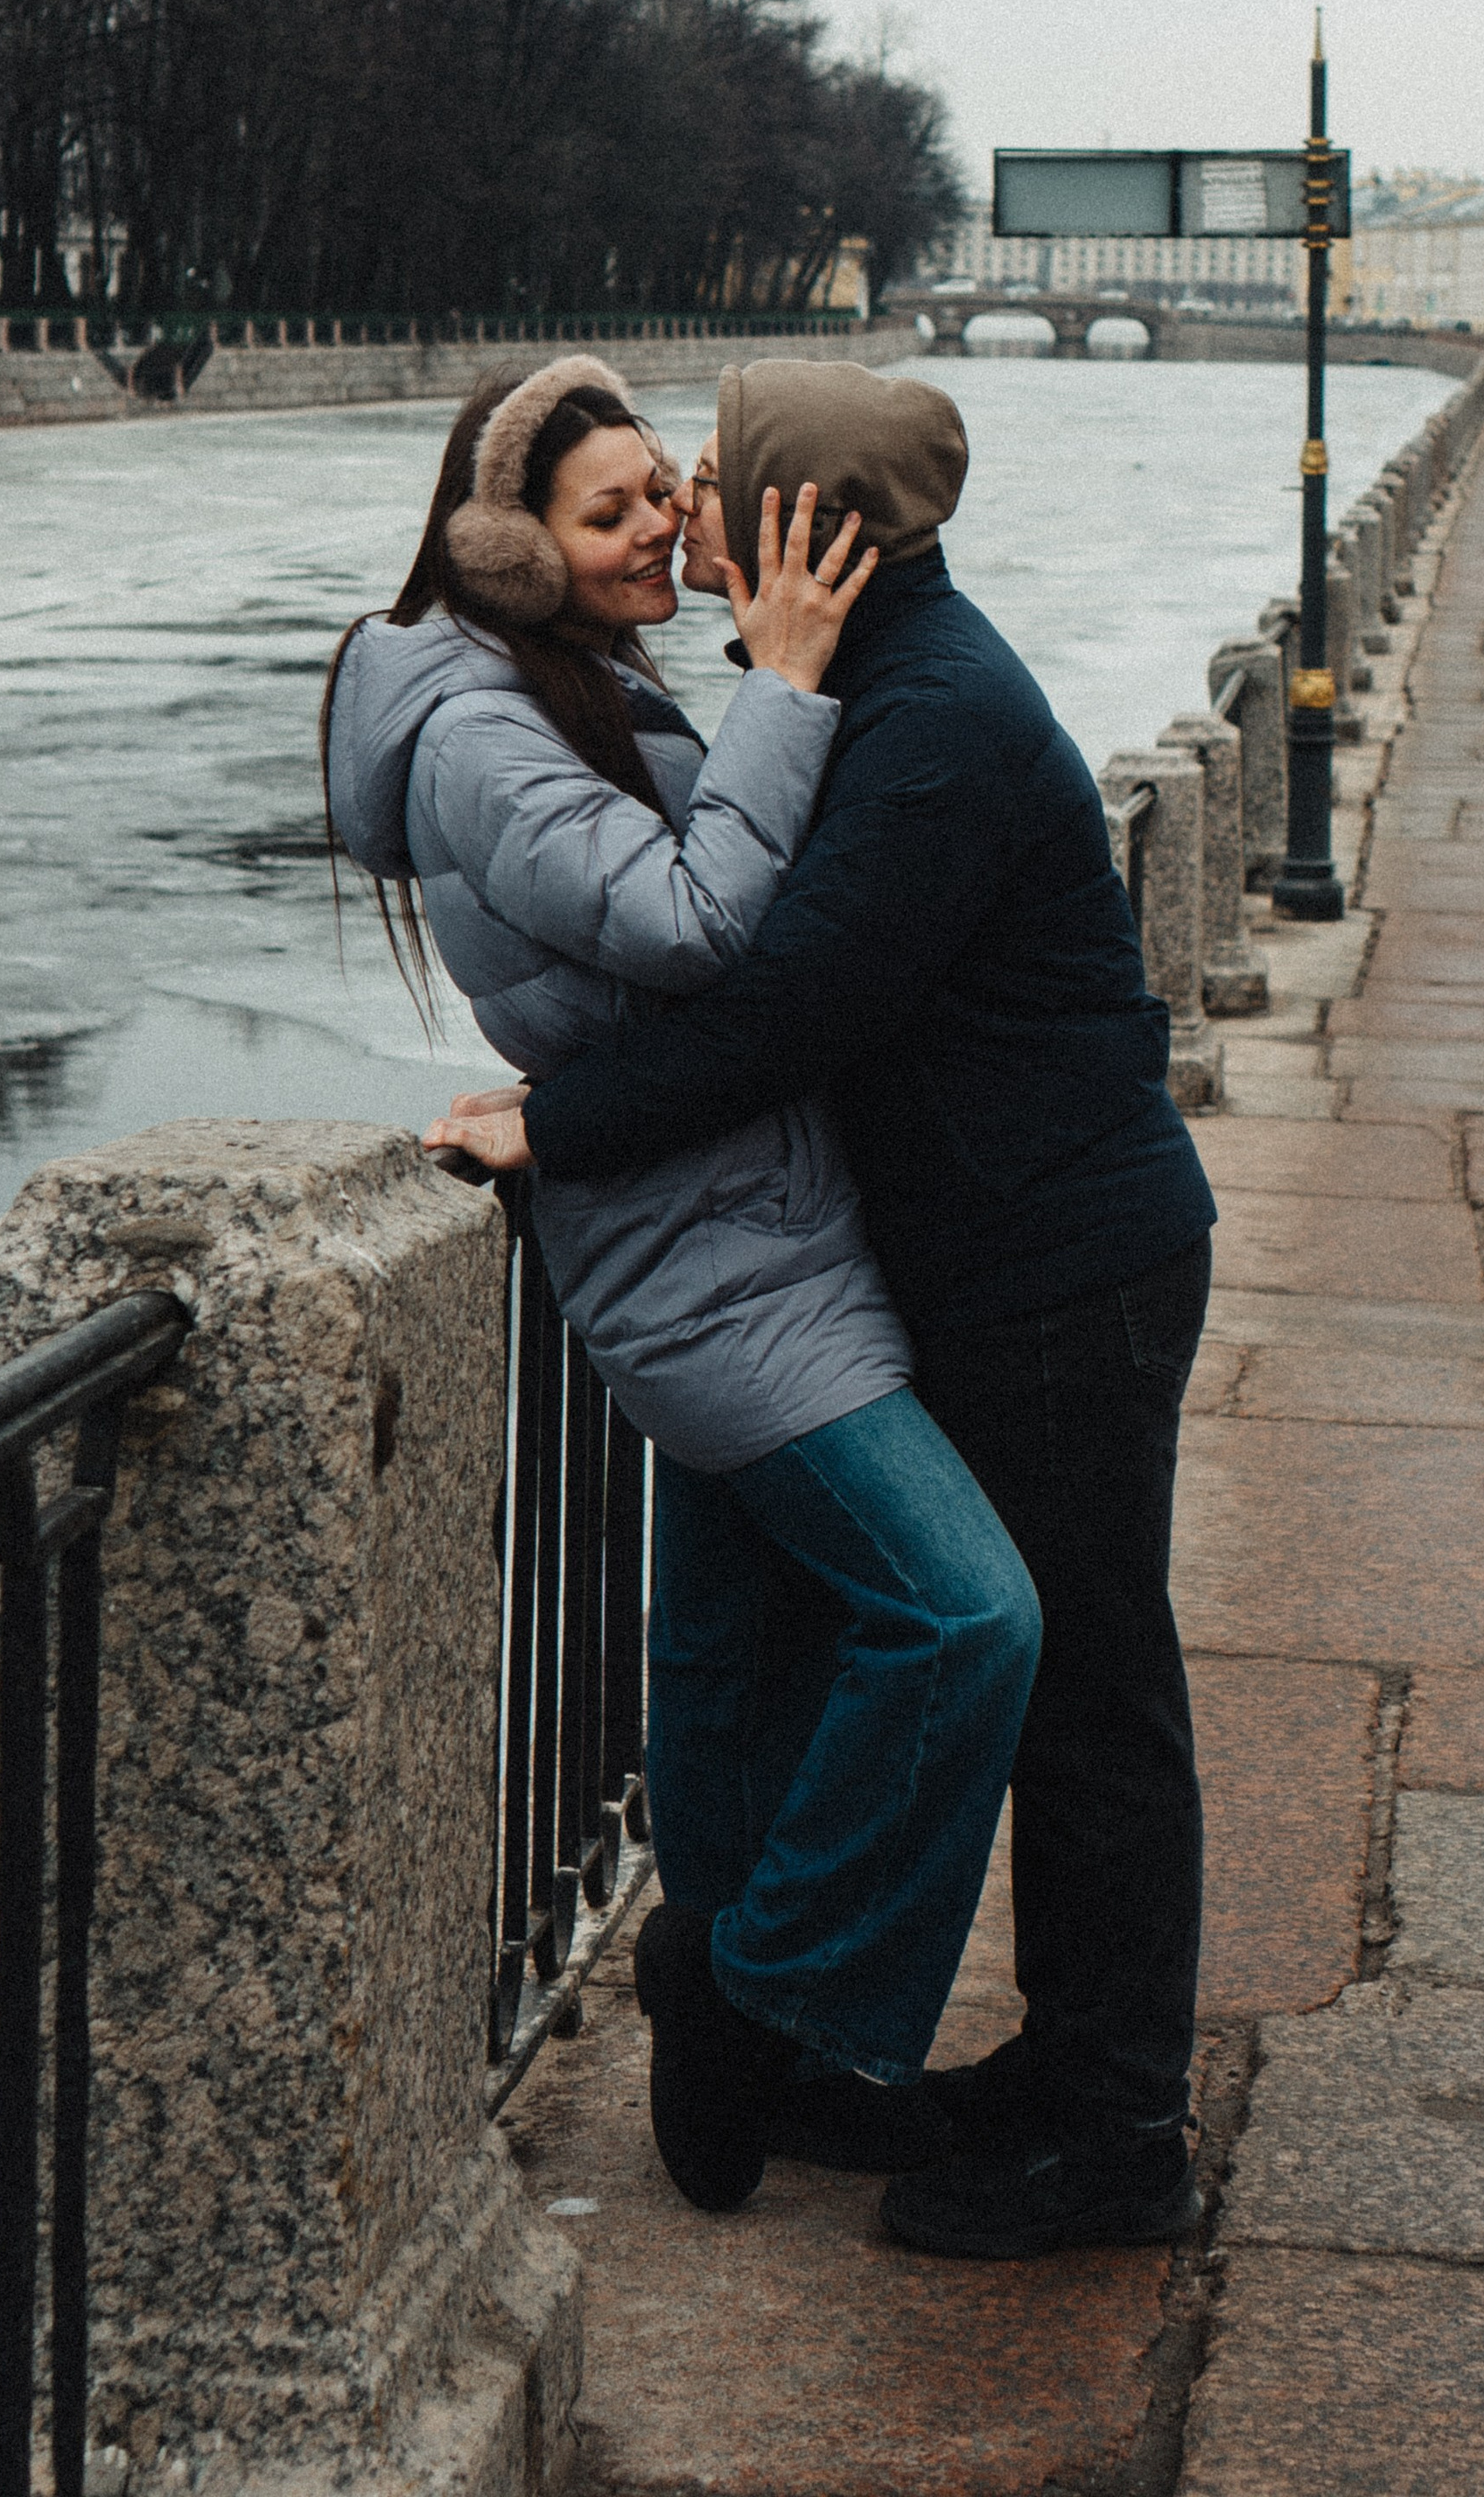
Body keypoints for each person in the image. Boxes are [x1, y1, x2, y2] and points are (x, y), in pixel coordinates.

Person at [428, 360, 1218, 2263]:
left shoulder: (927, 719)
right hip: (1001, 1248)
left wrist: (556, 1122)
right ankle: (1049, 2065)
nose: (686, 514)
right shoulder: (882, 684)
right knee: (1016, 1675)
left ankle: (1107, 2128)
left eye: (712, 486)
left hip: (1055, 1260)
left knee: (1085, 1693)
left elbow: (793, 1004)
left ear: (807, 527)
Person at [322, 355, 1040, 2220]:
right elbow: (694, 924)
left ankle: (748, 2082)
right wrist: (786, 682)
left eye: (667, 491)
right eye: (615, 509)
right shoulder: (480, 731)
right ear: (506, 552)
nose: (665, 529)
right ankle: (755, 1994)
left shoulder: (584, 680)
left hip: (755, 1221)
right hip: (697, 1257)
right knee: (967, 1622)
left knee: (728, 1673)